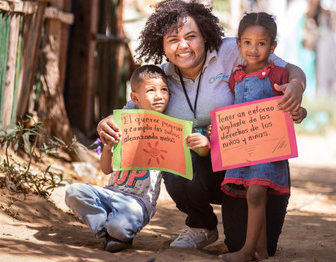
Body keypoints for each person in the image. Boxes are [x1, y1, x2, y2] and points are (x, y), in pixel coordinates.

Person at [97, 0, 306, 252]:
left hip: (250, 164)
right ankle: (201, 225)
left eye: (191, 36)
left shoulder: (233, 49)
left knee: (247, 246)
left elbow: (289, 69)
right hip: (203, 168)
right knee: (176, 159)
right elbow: (128, 114)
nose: (182, 45)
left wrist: (295, 85)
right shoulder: (161, 80)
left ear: (205, 36)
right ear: (161, 45)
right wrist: (105, 123)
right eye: (173, 39)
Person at [218, 12, 305, 262]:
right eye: (247, 42)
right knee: (253, 195)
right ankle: (262, 251)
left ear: (273, 46)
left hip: (269, 150)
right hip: (243, 149)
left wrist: (301, 111)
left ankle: (247, 251)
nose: (253, 49)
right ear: (238, 44)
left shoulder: (278, 75)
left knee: (256, 194)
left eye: (261, 43)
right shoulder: (236, 76)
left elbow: (296, 106)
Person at [65, 65, 178, 253]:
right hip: (111, 193)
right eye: (151, 90)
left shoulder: (169, 128)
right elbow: (106, 169)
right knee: (74, 192)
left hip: (137, 203)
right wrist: (108, 148)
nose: (159, 96)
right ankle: (108, 231)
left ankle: (117, 231)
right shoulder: (123, 124)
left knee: (126, 217)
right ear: (134, 98)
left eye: (164, 90)